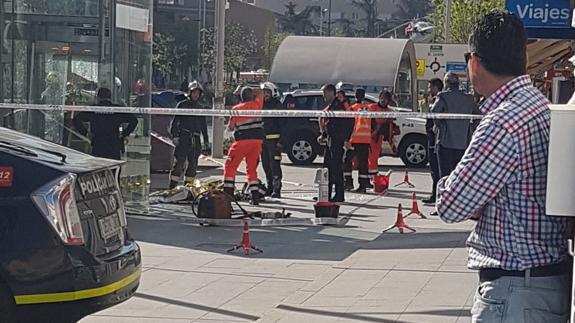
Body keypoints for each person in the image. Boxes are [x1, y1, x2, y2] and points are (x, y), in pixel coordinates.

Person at [436, 10, 571, 322]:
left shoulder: (503, 122)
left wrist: (458, 189)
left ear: (474, 62)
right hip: (544, 282)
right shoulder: (539, 106)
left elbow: (451, 205)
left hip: (513, 288)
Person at [430, 72, 477, 180]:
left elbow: (434, 112)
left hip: (445, 142)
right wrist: (470, 129)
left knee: (445, 176)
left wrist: (440, 126)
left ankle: (444, 196)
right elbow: (478, 115)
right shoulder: (469, 98)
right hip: (463, 142)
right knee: (459, 176)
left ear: (446, 83)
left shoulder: (443, 96)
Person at [224, 87, 265, 205]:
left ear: (240, 97)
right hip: (257, 142)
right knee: (251, 169)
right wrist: (252, 89)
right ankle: (255, 196)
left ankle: (228, 194)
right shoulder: (257, 104)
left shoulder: (236, 109)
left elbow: (231, 128)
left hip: (242, 142)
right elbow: (261, 91)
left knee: (230, 167)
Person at [73, 87, 138, 160]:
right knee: (113, 167)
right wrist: (124, 134)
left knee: (98, 166)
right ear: (110, 97)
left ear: (98, 97)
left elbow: (76, 119)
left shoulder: (93, 109)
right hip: (113, 143)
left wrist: (86, 133)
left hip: (98, 143)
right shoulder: (117, 109)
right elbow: (134, 120)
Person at [168, 81, 210, 188]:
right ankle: (172, 187)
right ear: (189, 93)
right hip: (183, 137)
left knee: (193, 165)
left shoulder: (200, 107)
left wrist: (206, 141)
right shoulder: (182, 105)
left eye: (198, 93)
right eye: (194, 93)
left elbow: (203, 125)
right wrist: (175, 136)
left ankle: (188, 188)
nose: (196, 95)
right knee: (179, 163)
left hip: (195, 139)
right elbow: (175, 122)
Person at [318, 84, 353, 202]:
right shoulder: (331, 106)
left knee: (336, 167)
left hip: (336, 140)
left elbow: (347, 122)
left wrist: (345, 139)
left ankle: (339, 194)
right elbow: (328, 123)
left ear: (330, 92)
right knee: (327, 167)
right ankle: (326, 194)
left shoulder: (338, 106)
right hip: (330, 139)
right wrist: (324, 135)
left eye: (324, 93)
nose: (323, 96)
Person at [343, 88, 371, 193]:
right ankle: (363, 185)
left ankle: (348, 182)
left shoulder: (353, 108)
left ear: (355, 96)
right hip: (366, 140)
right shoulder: (368, 109)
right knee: (363, 163)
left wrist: (347, 139)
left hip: (355, 139)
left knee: (346, 160)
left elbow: (348, 125)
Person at [260, 81, 284, 198]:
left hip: (274, 141)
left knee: (274, 165)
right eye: (264, 92)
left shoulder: (277, 105)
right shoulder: (261, 105)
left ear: (273, 92)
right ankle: (270, 187)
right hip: (263, 141)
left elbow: (284, 125)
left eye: (267, 92)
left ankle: (277, 189)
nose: (265, 94)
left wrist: (281, 141)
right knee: (265, 164)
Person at [422, 78, 444, 205]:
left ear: (436, 87)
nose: (429, 90)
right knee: (434, 169)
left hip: (435, 139)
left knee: (436, 169)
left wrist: (431, 131)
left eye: (430, 87)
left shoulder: (440, 101)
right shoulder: (434, 101)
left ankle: (436, 196)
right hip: (432, 138)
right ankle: (434, 194)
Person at [368, 91, 396, 178]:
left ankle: (373, 176)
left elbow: (391, 125)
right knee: (369, 157)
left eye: (386, 99)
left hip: (378, 137)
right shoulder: (372, 107)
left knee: (375, 157)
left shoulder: (389, 111)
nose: (383, 100)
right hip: (369, 136)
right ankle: (371, 176)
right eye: (382, 98)